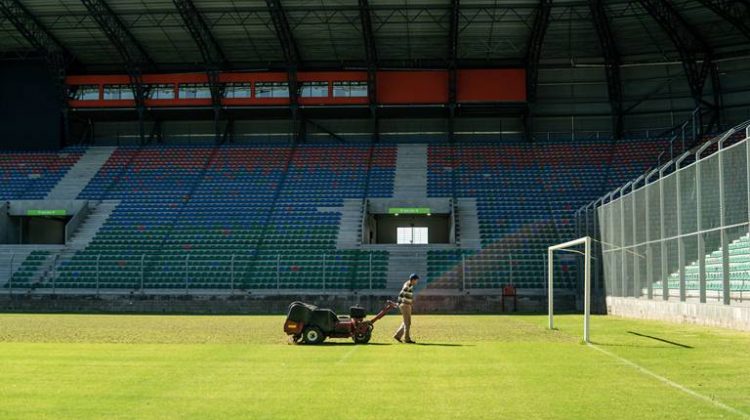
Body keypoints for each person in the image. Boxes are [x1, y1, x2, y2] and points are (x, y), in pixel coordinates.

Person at [393, 273, 419, 344]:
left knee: (406, 322)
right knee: (407, 323)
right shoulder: (407, 285)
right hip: (405, 305)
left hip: (407, 305)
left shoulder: (409, 284)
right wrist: (398, 303)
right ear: (413, 280)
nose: (417, 282)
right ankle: (407, 339)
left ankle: (397, 336)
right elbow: (401, 294)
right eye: (416, 280)